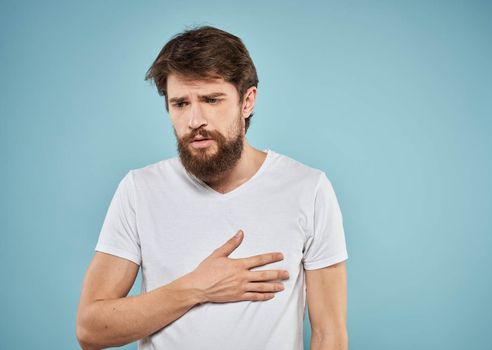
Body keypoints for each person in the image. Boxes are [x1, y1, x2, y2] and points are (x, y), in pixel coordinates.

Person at [76, 25, 349, 350]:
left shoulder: (308, 189)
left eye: (211, 99)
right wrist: (197, 287)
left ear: (247, 101)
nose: (195, 120)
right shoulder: (139, 190)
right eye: (180, 104)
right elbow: (91, 329)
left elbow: (329, 335)